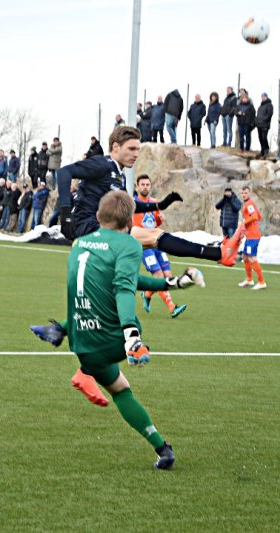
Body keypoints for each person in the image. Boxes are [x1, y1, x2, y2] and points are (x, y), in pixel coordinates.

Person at [33, 191, 210, 469]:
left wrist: (172, 283)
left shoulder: (80, 243)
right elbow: (124, 288)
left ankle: (163, 449)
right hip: (112, 339)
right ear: (129, 223)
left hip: (82, 340)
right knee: (128, 333)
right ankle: (84, 366)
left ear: (97, 216)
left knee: (120, 389)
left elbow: (123, 280)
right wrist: (132, 338)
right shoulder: (128, 244)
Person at [56, 126, 242, 266]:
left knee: (142, 250)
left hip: (100, 230)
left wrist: (160, 205)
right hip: (87, 228)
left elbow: (130, 206)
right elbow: (64, 172)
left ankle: (218, 254)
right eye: (131, 149)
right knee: (152, 236)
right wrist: (66, 215)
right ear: (116, 147)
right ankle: (219, 253)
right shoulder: (102, 164)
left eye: (138, 149)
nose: (136, 154)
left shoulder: (118, 175)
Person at [133, 175, 187, 318]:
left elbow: (154, 223)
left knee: (168, 276)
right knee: (158, 277)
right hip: (144, 245)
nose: (145, 187)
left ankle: (147, 293)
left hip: (157, 243)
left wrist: (159, 219)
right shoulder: (133, 204)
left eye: (147, 184)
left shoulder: (154, 203)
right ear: (137, 187)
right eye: (142, 184)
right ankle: (172, 307)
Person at [238, 186, 266, 290]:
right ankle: (249, 280)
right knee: (245, 257)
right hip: (250, 235)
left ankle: (261, 282)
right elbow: (259, 216)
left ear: (249, 193)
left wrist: (244, 223)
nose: (244, 195)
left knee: (252, 258)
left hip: (253, 236)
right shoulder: (249, 204)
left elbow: (254, 216)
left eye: (246, 193)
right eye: (242, 193)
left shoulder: (249, 204)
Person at [255, 92, 274, 157]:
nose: (263, 98)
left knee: (264, 137)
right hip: (259, 125)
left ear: (266, 97)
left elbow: (269, 114)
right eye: (262, 97)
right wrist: (257, 121)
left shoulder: (269, 105)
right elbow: (258, 115)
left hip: (265, 124)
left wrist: (263, 120)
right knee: (260, 138)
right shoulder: (260, 106)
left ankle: (266, 150)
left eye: (264, 97)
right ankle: (262, 151)